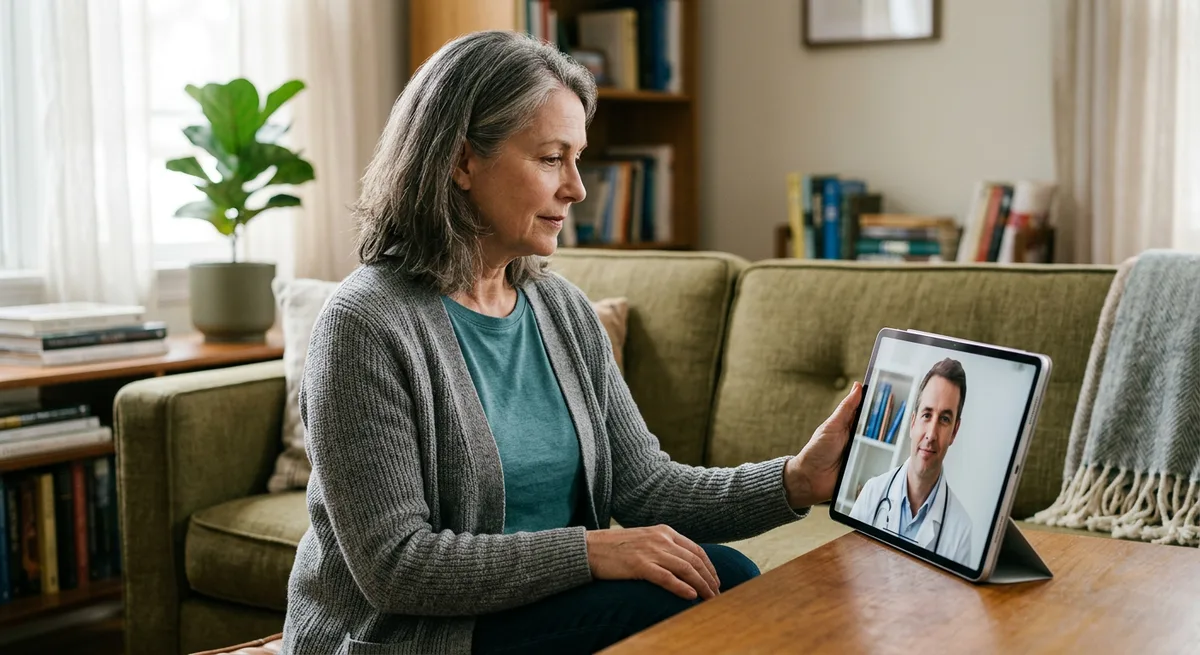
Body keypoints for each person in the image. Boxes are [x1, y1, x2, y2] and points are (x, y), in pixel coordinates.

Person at [280, 31, 862, 655]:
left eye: (577, 157)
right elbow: (399, 567)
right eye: (552, 158)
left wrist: (797, 480)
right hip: (410, 637)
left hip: (530, 612)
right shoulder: (366, 323)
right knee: (663, 600)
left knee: (726, 578)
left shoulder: (561, 310)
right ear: (461, 161)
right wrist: (592, 550)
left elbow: (648, 488)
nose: (577, 189)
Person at [849, 358, 973, 565]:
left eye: (944, 419)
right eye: (927, 415)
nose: (931, 434)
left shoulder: (961, 528)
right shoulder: (872, 493)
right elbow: (847, 570)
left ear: (954, 432)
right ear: (913, 422)